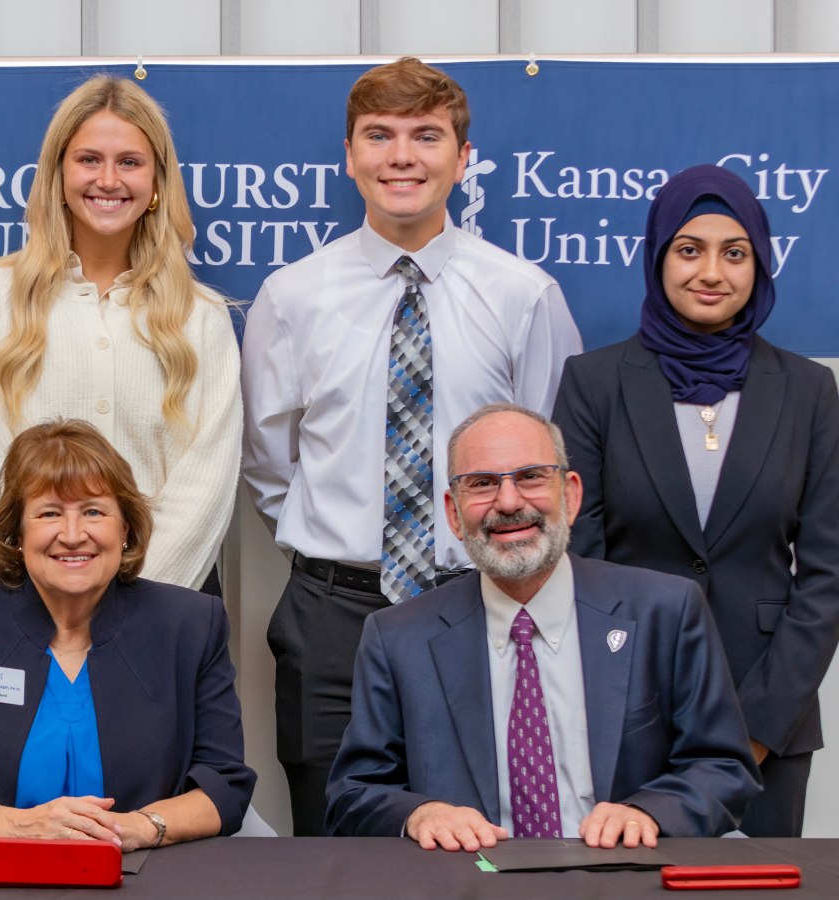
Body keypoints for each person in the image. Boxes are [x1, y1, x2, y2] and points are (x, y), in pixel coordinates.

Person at [241, 57, 583, 835]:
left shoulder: (522, 294)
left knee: (480, 828)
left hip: (481, 600)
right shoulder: (291, 297)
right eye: (380, 136)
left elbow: (550, 458)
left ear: (463, 159)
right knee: (333, 833)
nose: (402, 156)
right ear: (350, 155)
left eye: (426, 136)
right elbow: (267, 463)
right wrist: (339, 544)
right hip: (333, 614)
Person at [551, 164, 839, 838]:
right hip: (627, 707)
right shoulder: (594, 384)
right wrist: (634, 708)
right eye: (689, 250)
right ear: (657, 259)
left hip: (770, 713)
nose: (711, 271)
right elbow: (580, 556)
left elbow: (828, 574)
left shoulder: (807, 391)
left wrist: (757, 729)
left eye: (734, 253)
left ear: (760, 264)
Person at [326, 403, 760, 848]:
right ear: (454, 514)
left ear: (570, 496)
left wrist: (647, 812)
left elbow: (724, 768)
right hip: (469, 882)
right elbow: (354, 793)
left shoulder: (665, 611)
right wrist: (419, 813)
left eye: (531, 476)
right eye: (482, 484)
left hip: (623, 878)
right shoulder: (397, 638)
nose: (509, 502)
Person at [0, 418, 255, 846]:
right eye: (49, 513)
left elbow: (224, 785)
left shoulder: (190, 625)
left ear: (125, 529)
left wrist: (141, 827)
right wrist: (20, 829)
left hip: (147, 877)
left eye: (94, 511)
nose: (73, 535)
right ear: (18, 532)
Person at [0, 75, 240, 597]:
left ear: (157, 183)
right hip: (29, 600)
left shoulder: (202, 316)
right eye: (88, 160)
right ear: (58, 174)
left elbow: (206, 482)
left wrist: (134, 611)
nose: (108, 179)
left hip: (168, 605)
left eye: (129, 162)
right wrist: (48, 588)